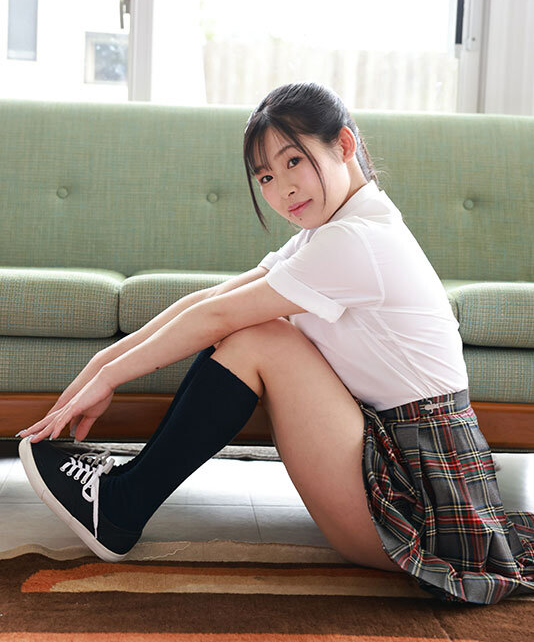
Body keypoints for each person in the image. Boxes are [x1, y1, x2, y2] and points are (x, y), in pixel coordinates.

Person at [16, 81, 534, 605]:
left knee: (262, 336)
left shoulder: (357, 240)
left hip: (426, 505)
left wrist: (108, 378)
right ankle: (124, 496)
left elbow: (219, 316)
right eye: (265, 176)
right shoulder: (334, 229)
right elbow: (214, 297)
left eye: (293, 162)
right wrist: (101, 363)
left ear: (344, 145)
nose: (283, 189)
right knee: (257, 328)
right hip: (400, 465)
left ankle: (123, 503)